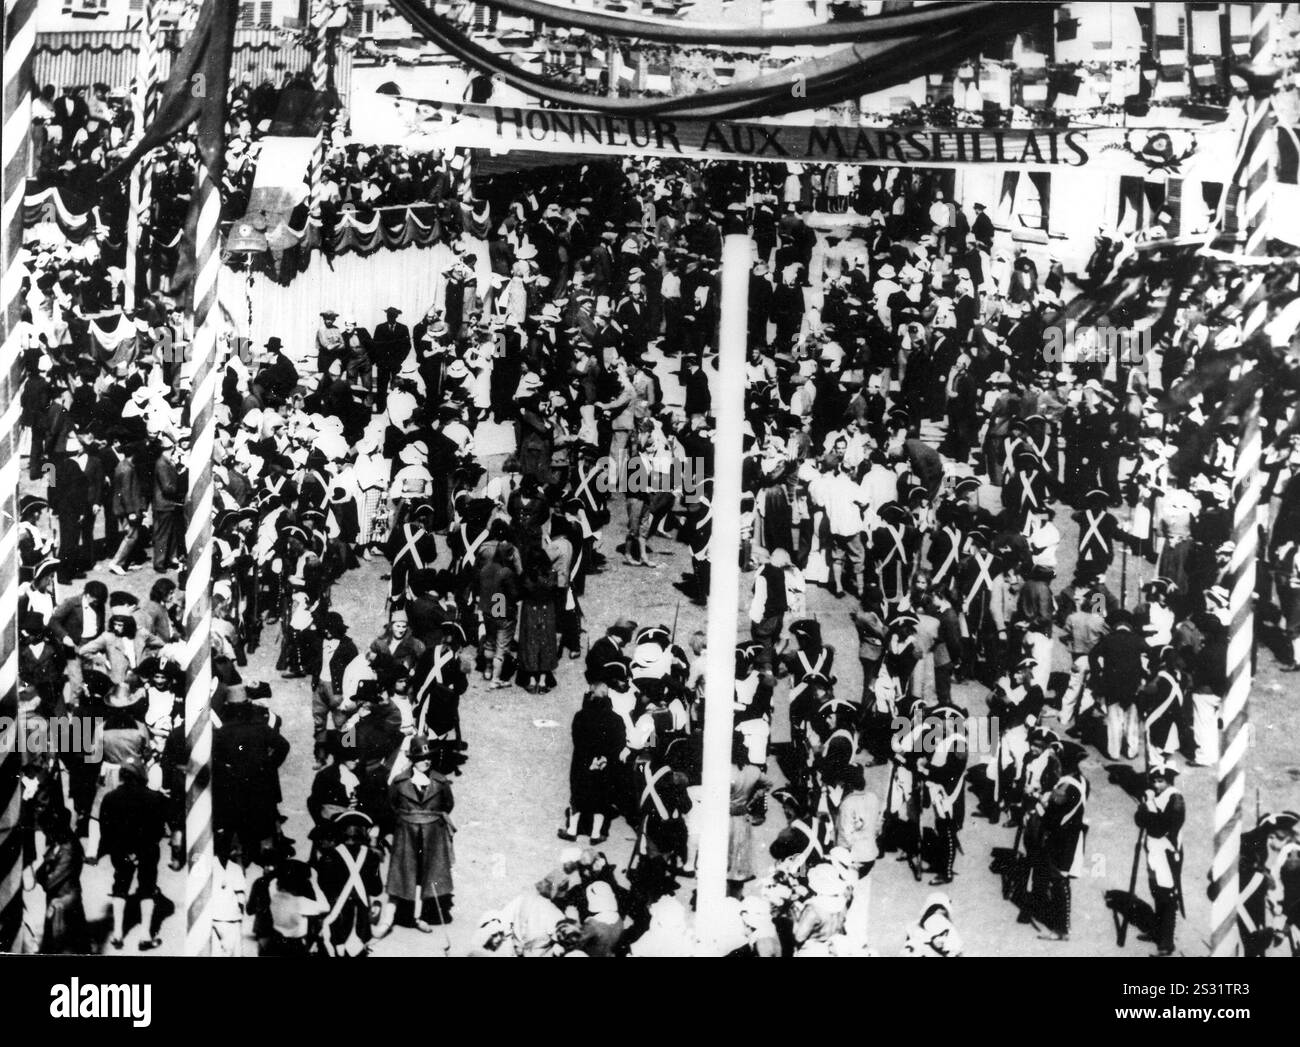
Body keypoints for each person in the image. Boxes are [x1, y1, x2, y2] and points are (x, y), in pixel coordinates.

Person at [98, 757, 170, 950]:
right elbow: (159, 831)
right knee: (147, 887)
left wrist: (122, 850)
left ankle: (117, 933)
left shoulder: (110, 798)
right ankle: (145, 934)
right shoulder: (155, 798)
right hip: (146, 850)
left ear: (122, 775)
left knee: (120, 886)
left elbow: (105, 829)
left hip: (120, 850)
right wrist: (139, 851)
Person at [387, 734, 456, 930]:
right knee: (406, 872)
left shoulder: (440, 782)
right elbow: (392, 805)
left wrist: (430, 819)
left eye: (428, 758)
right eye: (420, 759)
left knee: (432, 871)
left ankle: (430, 912)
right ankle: (405, 914)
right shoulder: (400, 782)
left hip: (433, 833)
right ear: (413, 761)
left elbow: (447, 804)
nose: (425, 762)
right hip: (406, 832)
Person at [1135, 760, 1185, 957]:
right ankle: (1158, 931)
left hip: (1167, 853)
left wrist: (1148, 806)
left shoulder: (1175, 799)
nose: (1155, 785)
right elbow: (1139, 820)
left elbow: (1158, 828)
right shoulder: (1156, 797)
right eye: (1154, 780)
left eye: (1160, 781)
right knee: (1156, 891)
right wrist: (1147, 807)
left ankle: (1166, 943)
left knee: (1167, 897)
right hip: (1154, 852)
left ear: (1169, 781)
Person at [727, 735, 772, 898]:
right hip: (742, 815)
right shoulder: (753, 770)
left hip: (725, 816)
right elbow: (768, 784)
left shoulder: (725, 770)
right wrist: (752, 800)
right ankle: (736, 893)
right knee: (740, 854)